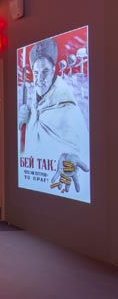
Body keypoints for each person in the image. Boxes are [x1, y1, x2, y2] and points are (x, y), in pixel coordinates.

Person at [18, 37, 89, 193]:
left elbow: (82, 153)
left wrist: (72, 159)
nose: (39, 79)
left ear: (54, 70)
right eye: (36, 73)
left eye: (45, 72)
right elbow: (26, 148)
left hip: (60, 189)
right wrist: (23, 123)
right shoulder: (33, 106)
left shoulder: (68, 109)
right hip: (33, 187)